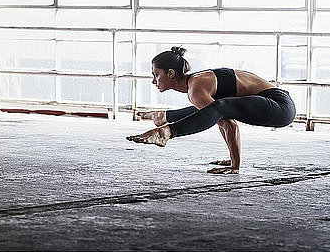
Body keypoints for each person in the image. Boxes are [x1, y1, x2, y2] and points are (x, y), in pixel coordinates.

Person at [127, 47, 296, 174]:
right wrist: (232, 159)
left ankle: (166, 132)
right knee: (211, 109)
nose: (153, 81)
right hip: (276, 104)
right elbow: (217, 116)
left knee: (218, 108)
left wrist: (235, 166)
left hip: (279, 107)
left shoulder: (195, 88)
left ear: (170, 73)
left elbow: (229, 125)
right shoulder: (196, 82)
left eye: (156, 75)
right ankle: (164, 117)